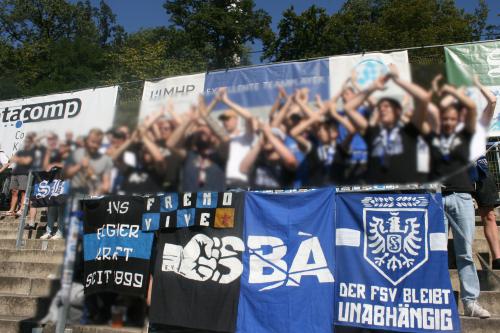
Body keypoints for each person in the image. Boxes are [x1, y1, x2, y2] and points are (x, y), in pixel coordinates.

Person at [426, 83, 490, 318]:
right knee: (436, 252)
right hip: (436, 199)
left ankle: (470, 302)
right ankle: (438, 299)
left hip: (462, 196)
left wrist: (474, 83)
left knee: (464, 252)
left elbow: (491, 103)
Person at [343, 64, 430, 184]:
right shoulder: (372, 132)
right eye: (379, 107)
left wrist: (396, 80)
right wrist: (373, 87)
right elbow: (348, 108)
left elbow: (424, 98)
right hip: (377, 198)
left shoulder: (409, 131)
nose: (382, 109)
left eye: (387, 106)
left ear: (398, 111)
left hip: (407, 197)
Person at [166, 102, 229, 192]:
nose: (203, 131)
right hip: (191, 203)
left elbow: (225, 138)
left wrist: (205, 117)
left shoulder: (220, 154)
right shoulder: (189, 155)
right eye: (201, 132)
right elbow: (170, 144)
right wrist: (189, 120)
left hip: (216, 203)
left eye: (207, 131)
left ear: (213, 135)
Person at [240, 120, 298, 190]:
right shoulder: (258, 157)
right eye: (266, 137)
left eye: (274, 137)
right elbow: (243, 168)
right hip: (259, 199)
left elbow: (291, 161)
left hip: (278, 199)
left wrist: (269, 135)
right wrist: (259, 143)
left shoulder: (284, 159)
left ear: (281, 141)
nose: (268, 139)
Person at [64, 129, 113, 196]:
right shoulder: (75, 153)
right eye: (92, 142)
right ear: (87, 140)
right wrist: (80, 165)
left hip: (93, 197)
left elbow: (106, 184)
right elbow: (66, 175)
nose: (95, 145)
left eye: (98, 143)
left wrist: (100, 190)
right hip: (75, 194)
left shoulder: (106, 160)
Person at [40, 133, 67, 240]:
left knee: (61, 210)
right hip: (52, 185)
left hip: (63, 185)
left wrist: (56, 165)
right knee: (51, 210)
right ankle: (49, 231)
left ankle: (60, 232)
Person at [5, 133, 36, 218]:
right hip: (15, 172)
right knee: (14, 191)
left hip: (24, 173)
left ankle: (22, 209)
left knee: (23, 191)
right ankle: (12, 209)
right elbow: (10, 160)